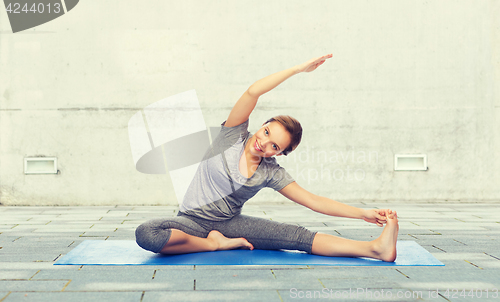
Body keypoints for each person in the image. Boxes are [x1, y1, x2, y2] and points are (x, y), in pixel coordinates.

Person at [135, 54, 399, 262]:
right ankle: (213, 244)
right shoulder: (232, 136)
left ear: (280, 153)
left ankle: (376, 249)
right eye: (266, 132)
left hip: (230, 224)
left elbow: (314, 201)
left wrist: (363, 213)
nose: (263, 143)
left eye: (274, 146)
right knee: (147, 233)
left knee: (295, 236)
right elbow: (252, 92)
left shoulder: (271, 172)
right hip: (189, 221)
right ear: (262, 124)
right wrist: (297, 69)